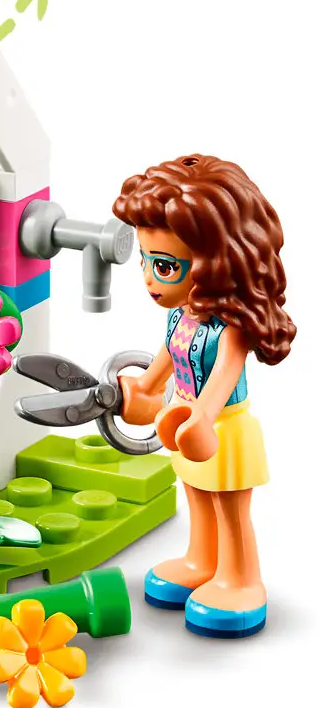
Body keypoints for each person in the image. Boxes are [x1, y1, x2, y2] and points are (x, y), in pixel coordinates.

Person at [113, 154, 295, 638]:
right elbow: (164, 361)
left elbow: (223, 377)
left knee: (230, 508)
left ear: (218, 263)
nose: (149, 279)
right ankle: (202, 560)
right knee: (196, 496)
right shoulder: (180, 316)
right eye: (145, 261)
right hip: (183, 423)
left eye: (165, 266)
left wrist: (201, 419)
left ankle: (241, 579)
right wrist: (143, 389)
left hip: (223, 428)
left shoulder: (230, 329)